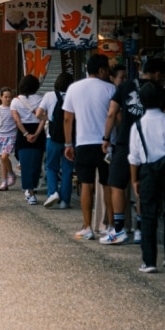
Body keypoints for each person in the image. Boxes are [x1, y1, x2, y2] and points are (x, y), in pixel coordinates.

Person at [102, 58, 165, 244]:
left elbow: (111, 113)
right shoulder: (160, 90)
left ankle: (119, 229)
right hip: (149, 144)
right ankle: (140, 230)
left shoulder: (125, 85)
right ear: (157, 74)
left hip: (125, 141)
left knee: (117, 184)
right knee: (142, 186)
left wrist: (106, 138)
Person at [129, 82, 165, 274]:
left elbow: (133, 157)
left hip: (148, 172)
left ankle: (149, 260)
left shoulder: (138, 125)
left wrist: (135, 180)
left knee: (148, 215)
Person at [63, 54, 115, 241]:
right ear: (101, 70)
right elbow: (115, 116)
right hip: (105, 144)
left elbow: (68, 118)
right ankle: (110, 227)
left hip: (83, 142)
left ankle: (87, 227)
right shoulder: (110, 88)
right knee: (108, 185)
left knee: (86, 184)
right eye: (107, 69)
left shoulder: (73, 88)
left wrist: (68, 144)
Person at [38, 72, 75, 209]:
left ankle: (52, 193)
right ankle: (65, 201)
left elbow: (38, 114)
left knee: (51, 167)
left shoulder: (49, 96)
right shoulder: (74, 96)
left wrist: (51, 119)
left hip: (52, 137)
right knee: (67, 170)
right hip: (71, 138)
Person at [11, 75, 45, 206]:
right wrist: (36, 134)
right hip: (38, 131)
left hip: (23, 132)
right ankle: (32, 190)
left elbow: (16, 120)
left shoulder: (16, 101)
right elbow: (43, 118)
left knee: (25, 164)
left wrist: (26, 134)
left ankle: (29, 191)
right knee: (36, 163)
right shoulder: (42, 99)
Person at [0, 88, 18, 190]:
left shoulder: (13, 108)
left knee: (4, 157)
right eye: (6, 97)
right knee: (2, 160)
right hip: (0, 136)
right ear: (0, 97)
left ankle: (11, 174)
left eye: (10, 97)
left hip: (11, 135)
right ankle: (4, 182)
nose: (8, 99)